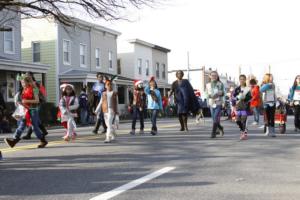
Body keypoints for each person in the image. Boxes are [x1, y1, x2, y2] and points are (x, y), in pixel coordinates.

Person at [4, 76, 48, 148]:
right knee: (21, 125)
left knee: (34, 127)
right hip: (25, 110)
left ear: (28, 82)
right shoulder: (24, 89)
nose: (22, 84)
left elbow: (37, 101)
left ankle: (43, 141)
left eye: (23, 82)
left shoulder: (35, 89)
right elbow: (23, 100)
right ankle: (14, 140)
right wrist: (20, 103)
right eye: (21, 82)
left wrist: (26, 101)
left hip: (33, 110)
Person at [22, 71, 48, 140]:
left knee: (33, 121)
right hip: (30, 105)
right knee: (37, 120)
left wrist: (27, 101)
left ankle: (29, 134)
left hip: (35, 104)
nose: (26, 76)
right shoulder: (26, 84)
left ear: (30, 76)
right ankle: (44, 131)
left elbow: (38, 94)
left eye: (27, 75)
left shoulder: (35, 84)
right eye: (25, 74)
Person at [95, 77, 118, 143]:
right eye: (108, 84)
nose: (109, 85)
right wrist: (97, 110)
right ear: (105, 86)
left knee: (109, 124)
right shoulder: (103, 93)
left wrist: (117, 111)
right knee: (108, 125)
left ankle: (108, 137)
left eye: (110, 84)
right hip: (105, 111)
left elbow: (116, 102)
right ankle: (113, 133)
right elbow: (100, 102)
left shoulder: (114, 93)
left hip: (112, 110)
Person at [205, 71, 225, 138]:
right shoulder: (207, 85)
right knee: (214, 119)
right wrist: (208, 101)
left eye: (215, 75)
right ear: (210, 76)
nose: (214, 77)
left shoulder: (220, 84)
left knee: (216, 117)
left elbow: (223, 93)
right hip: (211, 103)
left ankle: (213, 133)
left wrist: (223, 101)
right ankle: (221, 128)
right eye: (212, 75)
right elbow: (206, 94)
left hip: (218, 102)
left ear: (217, 76)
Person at [232, 75, 252, 140]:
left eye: (243, 79)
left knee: (243, 120)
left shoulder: (248, 89)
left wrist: (244, 98)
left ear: (245, 80)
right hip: (238, 106)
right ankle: (243, 130)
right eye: (240, 79)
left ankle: (243, 133)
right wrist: (234, 103)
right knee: (238, 120)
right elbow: (233, 97)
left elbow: (250, 97)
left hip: (245, 106)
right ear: (239, 80)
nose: (242, 80)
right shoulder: (236, 89)